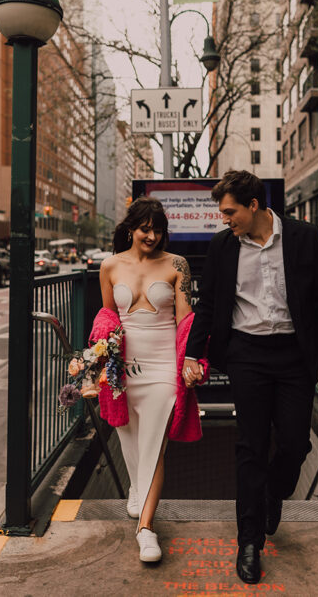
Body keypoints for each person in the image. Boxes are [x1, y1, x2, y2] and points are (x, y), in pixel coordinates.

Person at [183, 170, 318, 584]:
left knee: (294, 444)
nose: (224, 219)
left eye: (230, 211)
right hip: (247, 355)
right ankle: (249, 541)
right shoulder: (222, 246)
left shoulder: (304, 237)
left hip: (295, 356)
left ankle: (274, 492)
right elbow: (209, 307)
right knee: (250, 447)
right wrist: (193, 355)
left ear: (254, 205)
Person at [93, 197, 207, 563]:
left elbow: (187, 319)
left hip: (162, 368)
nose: (152, 236)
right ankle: (137, 488)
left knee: (154, 444)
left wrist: (193, 360)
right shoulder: (109, 265)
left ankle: (145, 528)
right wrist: (97, 366)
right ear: (131, 228)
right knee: (129, 439)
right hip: (122, 368)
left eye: (158, 230)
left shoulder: (177, 265)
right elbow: (107, 319)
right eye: (146, 228)